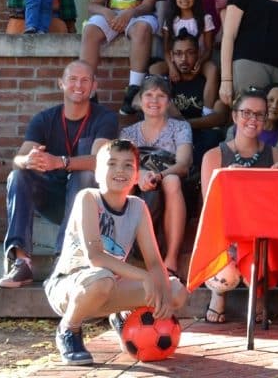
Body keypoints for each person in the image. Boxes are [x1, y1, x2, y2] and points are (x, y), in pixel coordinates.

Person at [43, 139, 187, 366]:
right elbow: (95, 257)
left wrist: (162, 296)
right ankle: (69, 329)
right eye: (112, 164)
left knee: (176, 290)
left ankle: (122, 316)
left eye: (128, 165)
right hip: (71, 286)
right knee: (102, 278)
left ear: (137, 174)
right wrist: (143, 277)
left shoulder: (138, 207)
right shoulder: (88, 198)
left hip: (110, 284)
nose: (120, 170)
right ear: (98, 173)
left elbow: (154, 261)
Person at [0, 60, 118, 289]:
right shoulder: (45, 119)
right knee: (18, 176)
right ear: (61, 83)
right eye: (72, 79)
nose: (78, 85)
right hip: (52, 199)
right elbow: (17, 160)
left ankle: (64, 258)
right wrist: (28, 160)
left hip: (86, 203)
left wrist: (60, 162)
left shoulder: (105, 118)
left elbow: (101, 161)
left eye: (85, 80)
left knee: (84, 176)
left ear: (94, 86)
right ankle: (21, 262)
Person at [201, 90, 278, 323]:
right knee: (226, 274)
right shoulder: (214, 156)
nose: (253, 119)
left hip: (261, 233)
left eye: (260, 114)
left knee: (261, 259)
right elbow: (209, 208)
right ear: (234, 116)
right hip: (227, 233)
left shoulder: (277, 154)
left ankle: (259, 295)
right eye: (247, 112)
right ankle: (217, 295)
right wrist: (229, 183)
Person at [80, 0, 166, 114]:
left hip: (141, 15)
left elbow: (149, 4)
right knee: (90, 30)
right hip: (113, 14)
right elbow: (93, 4)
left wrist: (129, 14)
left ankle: (133, 90)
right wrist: (107, 13)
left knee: (143, 28)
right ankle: (88, 87)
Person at [119, 76, 192, 278]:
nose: (154, 101)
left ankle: (171, 259)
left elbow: (183, 164)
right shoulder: (129, 132)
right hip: (139, 180)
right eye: (149, 95)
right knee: (123, 181)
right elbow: (122, 165)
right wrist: (139, 176)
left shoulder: (180, 127)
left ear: (168, 102)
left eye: (161, 96)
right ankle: (121, 254)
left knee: (172, 180)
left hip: (171, 179)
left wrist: (159, 175)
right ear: (140, 100)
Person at [150, 31, 228, 197]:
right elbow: (153, 70)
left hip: (200, 137)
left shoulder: (207, 79)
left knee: (213, 138)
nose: (184, 59)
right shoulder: (165, 79)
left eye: (189, 53)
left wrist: (184, 123)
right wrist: (170, 66)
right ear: (171, 56)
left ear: (198, 54)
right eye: (178, 54)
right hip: (171, 138)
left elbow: (221, 116)